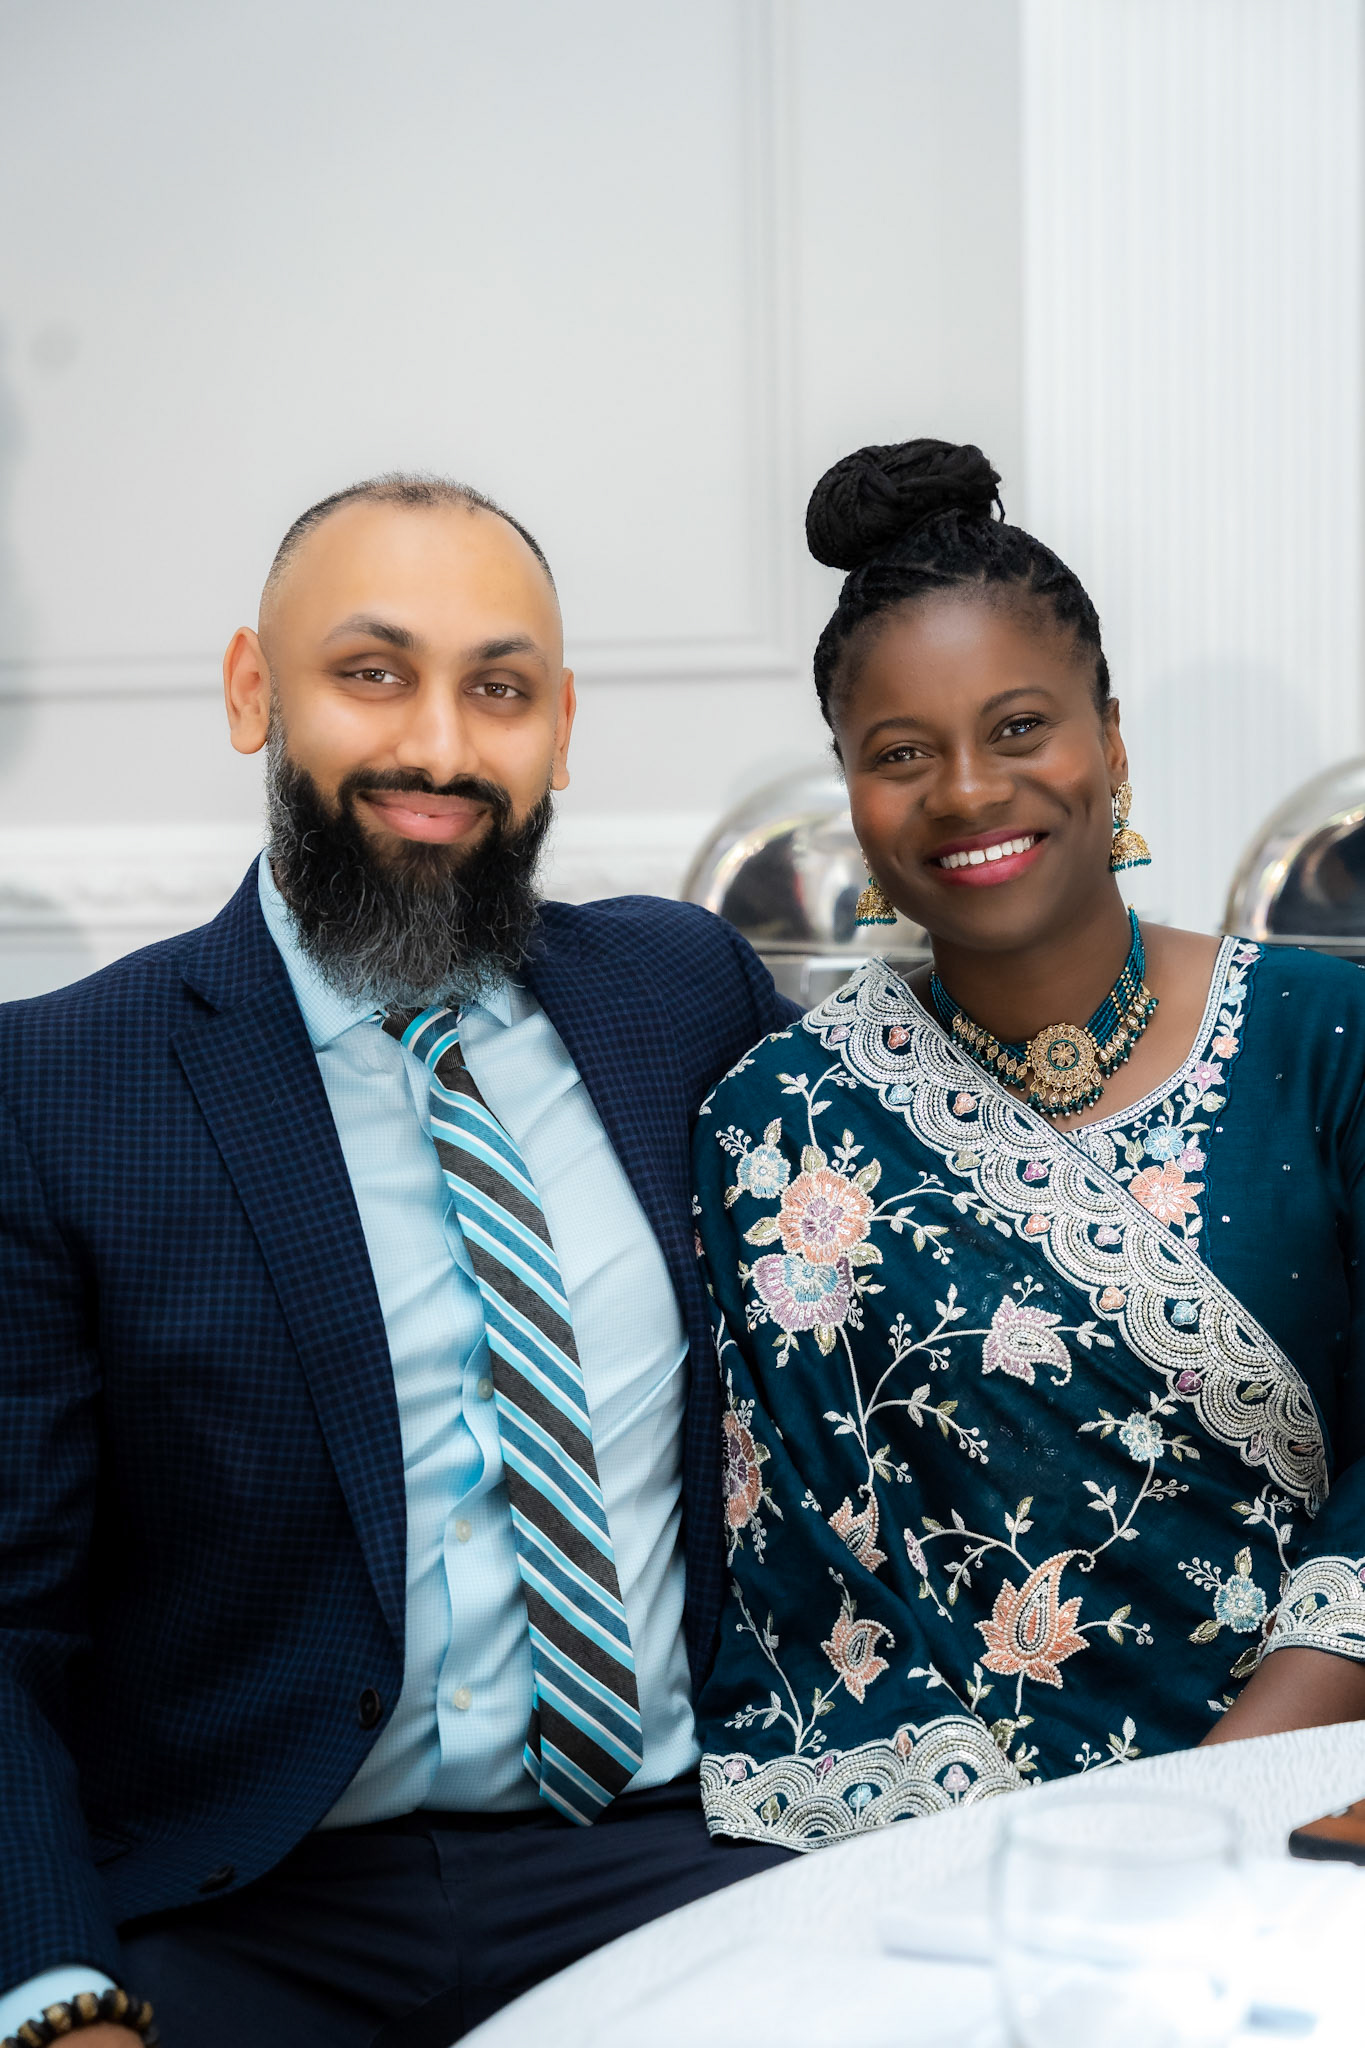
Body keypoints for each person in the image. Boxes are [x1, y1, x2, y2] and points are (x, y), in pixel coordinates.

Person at [0, 475, 799, 2048]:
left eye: (498, 689)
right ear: (254, 691)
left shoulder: (682, 995)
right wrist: (55, 1994)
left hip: (668, 1856)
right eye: (371, 673)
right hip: (248, 1897)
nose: (437, 747)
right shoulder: (59, 1090)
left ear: (560, 727)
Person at [691, 438, 1365, 1854]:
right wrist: (1016, 1887)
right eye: (899, 754)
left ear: (1109, 745)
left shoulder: (1331, 1041)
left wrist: (1204, 1823)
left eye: (1017, 728)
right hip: (944, 1871)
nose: (963, 790)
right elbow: (809, 1581)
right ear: (850, 792)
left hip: (1314, 1814)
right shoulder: (781, 1121)